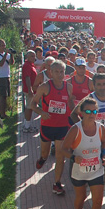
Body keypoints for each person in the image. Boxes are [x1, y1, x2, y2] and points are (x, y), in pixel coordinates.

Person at [62, 97, 105, 209]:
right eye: (88, 111)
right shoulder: (75, 130)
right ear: (81, 112)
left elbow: (104, 144)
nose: (91, 114)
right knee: (80, 197)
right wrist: (73, 157)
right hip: (79, 171)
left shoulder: (101, 128)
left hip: (96, 169)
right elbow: (64, 149)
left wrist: (104, 155)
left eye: (94, 111)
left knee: (98, 198)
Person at [78, 73, 105, 209]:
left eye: (104, 84)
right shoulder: (89, 100)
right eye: (99, 84)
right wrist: (82, 129)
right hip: (91, 140)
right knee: (89, 168)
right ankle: (84, 194)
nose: (102, 87)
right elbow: (75, 114)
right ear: (94, 85)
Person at [31, 60, 75, 195]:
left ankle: (57, 183)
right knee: (45, 153)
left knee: (60, 157)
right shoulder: (44, 87)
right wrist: (42, 113)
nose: (60, 74)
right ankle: (42, 159)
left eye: (62, 72)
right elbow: (32, 104)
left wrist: (76, 118)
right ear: (51, 72)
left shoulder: (68, 87)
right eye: (57, 72)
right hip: (47, 126)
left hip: (62, 127)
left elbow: (70, 104)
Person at [0, 39, 15, 118]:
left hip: (7, 75)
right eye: (2, 45)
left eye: (4, 45)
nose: (4, 47)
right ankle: (2, 113)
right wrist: (5, 54)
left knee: (6, 95)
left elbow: (11, 63)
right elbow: (0, 64)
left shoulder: (7, 55)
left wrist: (11, 55)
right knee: (3, 95)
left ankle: (4, 112)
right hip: (1, 76)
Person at [22, 50, 38, 133]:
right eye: (32, 56)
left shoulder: (31, 65)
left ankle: (26, 124)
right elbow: (27, 77)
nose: (34, 57)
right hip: (29, 90)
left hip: (32, 90)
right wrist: (30, 89)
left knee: (30, 107)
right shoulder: (27, 65)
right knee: (29, 107)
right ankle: (27, 126)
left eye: (34, 56)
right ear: (27, 57)